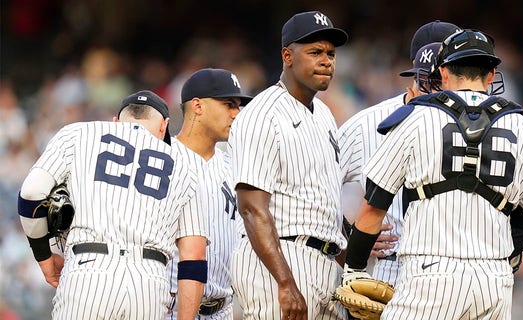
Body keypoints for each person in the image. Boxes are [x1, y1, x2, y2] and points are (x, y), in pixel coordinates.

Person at [342, 29, 523, 319]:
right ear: (491, 75)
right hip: (494, 280)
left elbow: (374, 204)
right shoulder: (521, 124)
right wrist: (506, 246)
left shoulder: (417, 117)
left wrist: (354, 269)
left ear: (444, 72)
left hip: (430, 274)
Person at [17, 90, 208, 320]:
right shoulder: (187, 166)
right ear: (164, 126)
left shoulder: (79, 133)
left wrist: (44, 256)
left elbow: (31, 193)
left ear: (116, 122)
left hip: (88, 271)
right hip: (149, 283)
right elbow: (194, 257)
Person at [228, 10, 349, 320]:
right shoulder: (262, 114)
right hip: (282, 259)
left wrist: (355, 268)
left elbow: (327, 203)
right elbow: (252, 208)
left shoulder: (323, 115)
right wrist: (285, 282)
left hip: (326, 261)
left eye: (331, 53)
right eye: (315, 52)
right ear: (287, 56)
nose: (327, 61)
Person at [339, 20, 460, 287]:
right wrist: (347, 234)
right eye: (433, 80)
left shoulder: (478, 121)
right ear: (416, 74)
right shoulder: (367, 125)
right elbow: (316, 189)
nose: (442, 88)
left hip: (460, 271)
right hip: (394, 269)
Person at [166, 68, 253, 319]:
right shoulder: (163, 160)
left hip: (222, 309)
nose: (236, 113)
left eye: (238, 105)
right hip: (169, 306)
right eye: (228, 104)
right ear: (197, 106)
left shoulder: (233, 168)